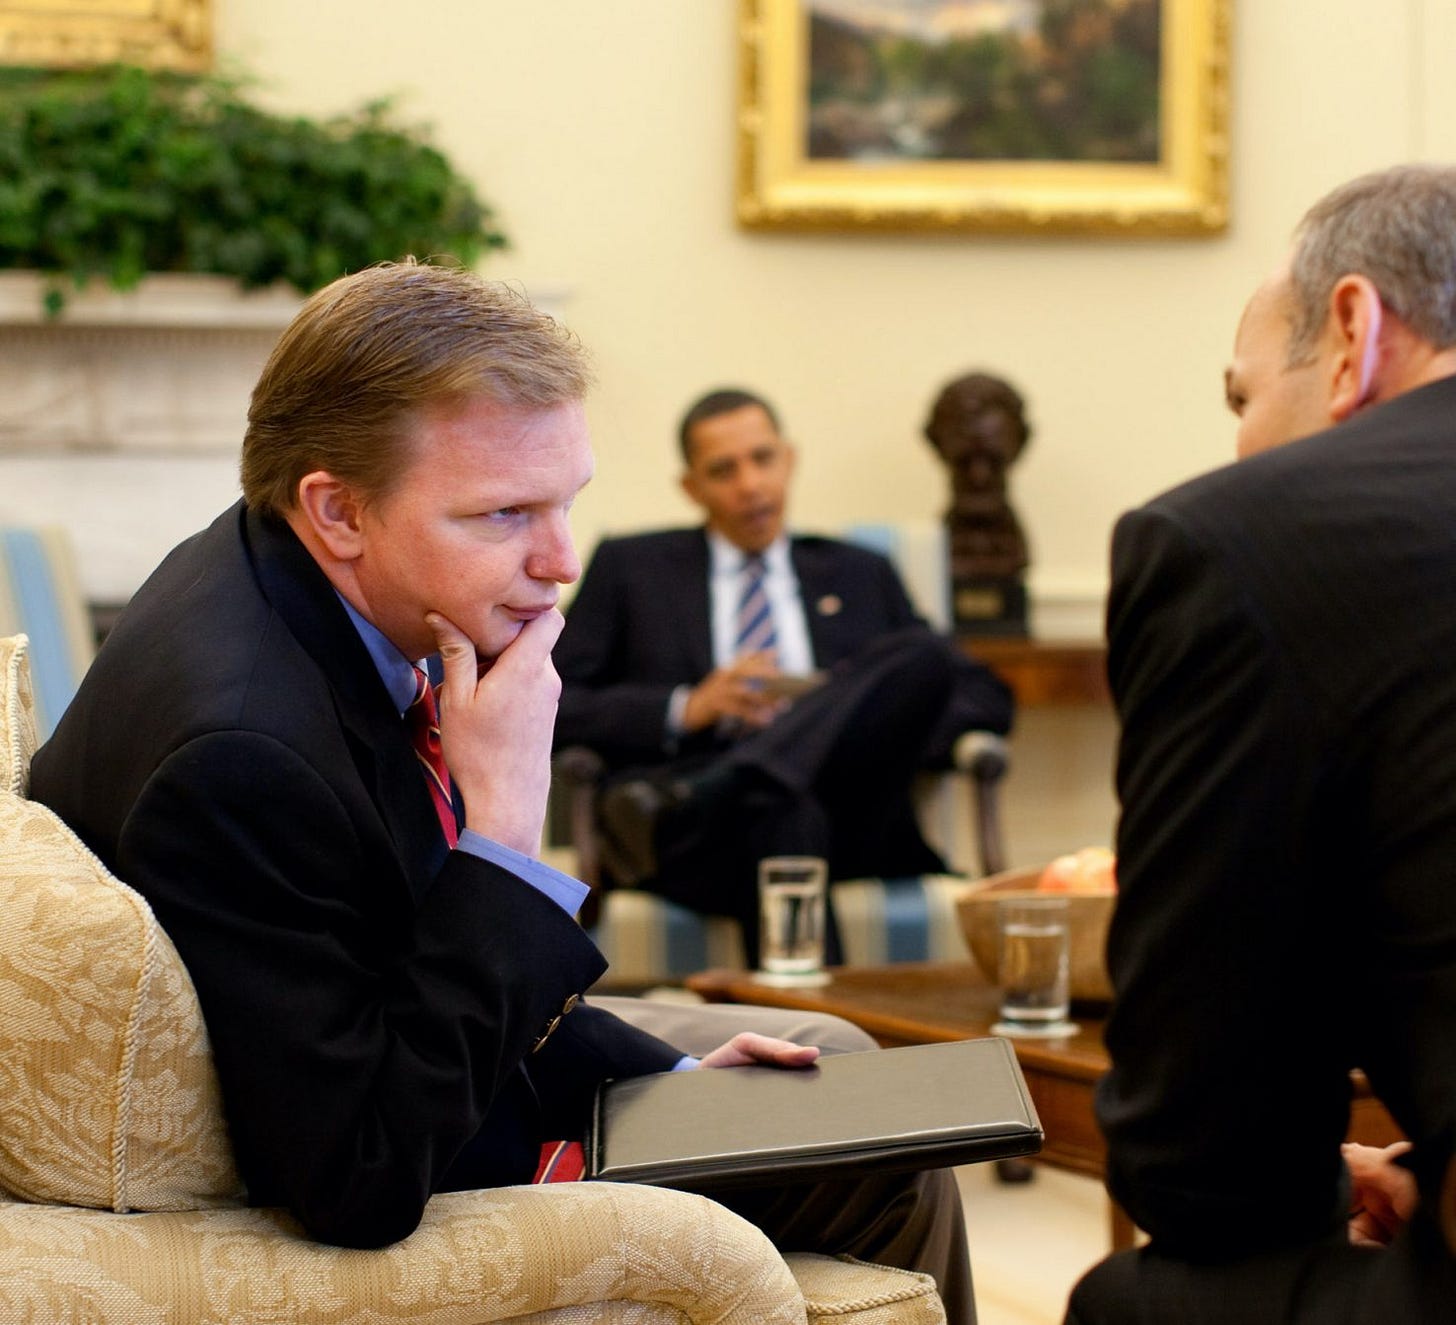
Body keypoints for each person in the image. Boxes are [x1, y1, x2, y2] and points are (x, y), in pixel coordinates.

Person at [27, 263, 976, 1322]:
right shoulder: (242, 752)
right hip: (401, 1149)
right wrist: (509, 830)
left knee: (831, 1068)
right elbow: (362, 1172)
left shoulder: (283, 580)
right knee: (894, 1160)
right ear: (337, 508)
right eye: (505, 513)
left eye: (566, 501)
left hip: (422, 1052)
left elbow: (388, 941)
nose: (560, 559)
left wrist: (662, 1067)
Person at [1067, 164, 1456, 1323]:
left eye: (1240, 401)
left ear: (1353, 330)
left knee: (1142, 1295)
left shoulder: (1240, 540)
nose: (1242, 447)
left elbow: (1203, 1153)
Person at [554, 387, 1013, 963]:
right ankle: (828, 1045)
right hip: (696, 836)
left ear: (788, 459)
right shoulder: (631, 569)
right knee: (782, 806)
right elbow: (552, 702)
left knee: (920, 655)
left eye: (762, 459)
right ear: (691, 487)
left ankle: (746, 775)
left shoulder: (860, 572)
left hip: (845, 819)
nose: (750, 484)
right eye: (724, 470)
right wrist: (686, 707)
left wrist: (842, 710)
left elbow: (983, 697)